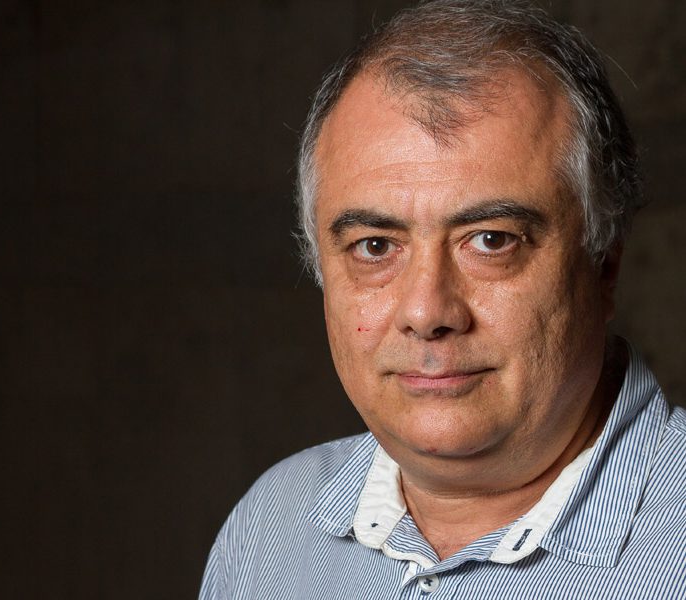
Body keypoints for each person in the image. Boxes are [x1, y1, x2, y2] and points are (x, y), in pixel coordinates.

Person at [199, 1, 685, 598]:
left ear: (603, 263)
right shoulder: (270, 530)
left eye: (491, 241)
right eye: (375, 246)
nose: (427, 312)